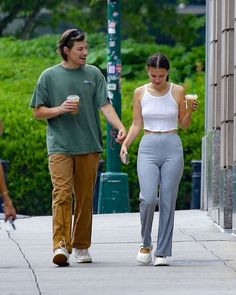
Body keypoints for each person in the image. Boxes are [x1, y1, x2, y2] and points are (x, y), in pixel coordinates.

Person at [30, 28, 126, 267]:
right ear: (66, 50)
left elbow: (104, 105)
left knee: (84, 198)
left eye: (86, 48)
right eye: (80, 49)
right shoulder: (48, 77)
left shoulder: (94, 74)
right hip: (60, 146)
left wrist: (120, 126)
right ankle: (61, 245)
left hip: (88, 145)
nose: (85, 52)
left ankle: (81, 246)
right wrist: (61, 109)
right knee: (61, 194)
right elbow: (37, 111)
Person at [120, 53, 197, 266]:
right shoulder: (140, 92)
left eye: (161, 76)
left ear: (167, 73)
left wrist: (189, 111)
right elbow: (136, 123)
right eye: (153, 75)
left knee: (167, 200)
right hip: (148, 146)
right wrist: (126, 143)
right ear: (148, 71)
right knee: (147, 198)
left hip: (172, 145)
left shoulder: (178, 91)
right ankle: (145, 244)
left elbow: (184, 124)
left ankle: (162, 252)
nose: (156, 80)